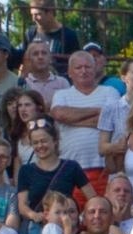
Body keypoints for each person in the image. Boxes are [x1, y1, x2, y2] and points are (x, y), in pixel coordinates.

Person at [15, 119, 95, 234]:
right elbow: (22, 205)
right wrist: (34, 215)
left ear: (55, 141)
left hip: (65, 228)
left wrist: (79, 219)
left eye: (44, 141)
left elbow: (93, 198)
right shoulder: (26, 170)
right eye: (35, 142)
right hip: (37, 229)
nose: (40, 146)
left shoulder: (71, 167)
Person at [51, 49, 118, 196]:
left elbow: (113, 121)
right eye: (78, 67)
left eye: (88, 67)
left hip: (103, 167)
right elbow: (59, 114)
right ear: (69, 72)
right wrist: (98, 111)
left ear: (95, 69)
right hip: (70, 167)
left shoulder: (110, 92)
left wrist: (71, 120)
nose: (83, 71)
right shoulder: (61, 94)